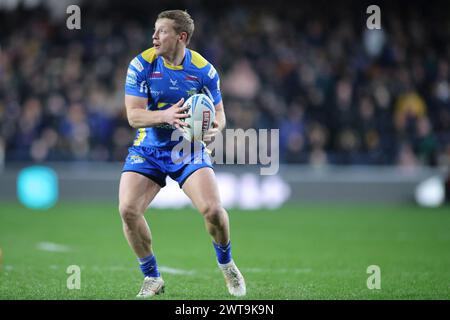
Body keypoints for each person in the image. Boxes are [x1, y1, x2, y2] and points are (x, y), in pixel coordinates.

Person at [119, 9, 246, 298]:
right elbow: (133, 115)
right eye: (154, 30)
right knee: (128, 210)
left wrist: (215, 128)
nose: (154, 36)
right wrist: (165, 116)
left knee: (213, 211)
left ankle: (226, 264)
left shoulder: (203, 69)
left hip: (187, 149)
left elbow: (220, 113)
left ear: (181, 37)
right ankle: (152, 277)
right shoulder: (141, 65)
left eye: (161, 31)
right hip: (148, 147)